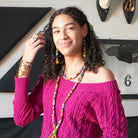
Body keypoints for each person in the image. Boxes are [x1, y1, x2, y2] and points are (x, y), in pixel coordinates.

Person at [13, 6, 128, 138]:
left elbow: (116, 134)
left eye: (70, 28)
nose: (63, 36)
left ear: (83, 30)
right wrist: (26, 62)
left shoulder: (101, 77)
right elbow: (22, 117)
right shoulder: (52, 77)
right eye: (56, 31)